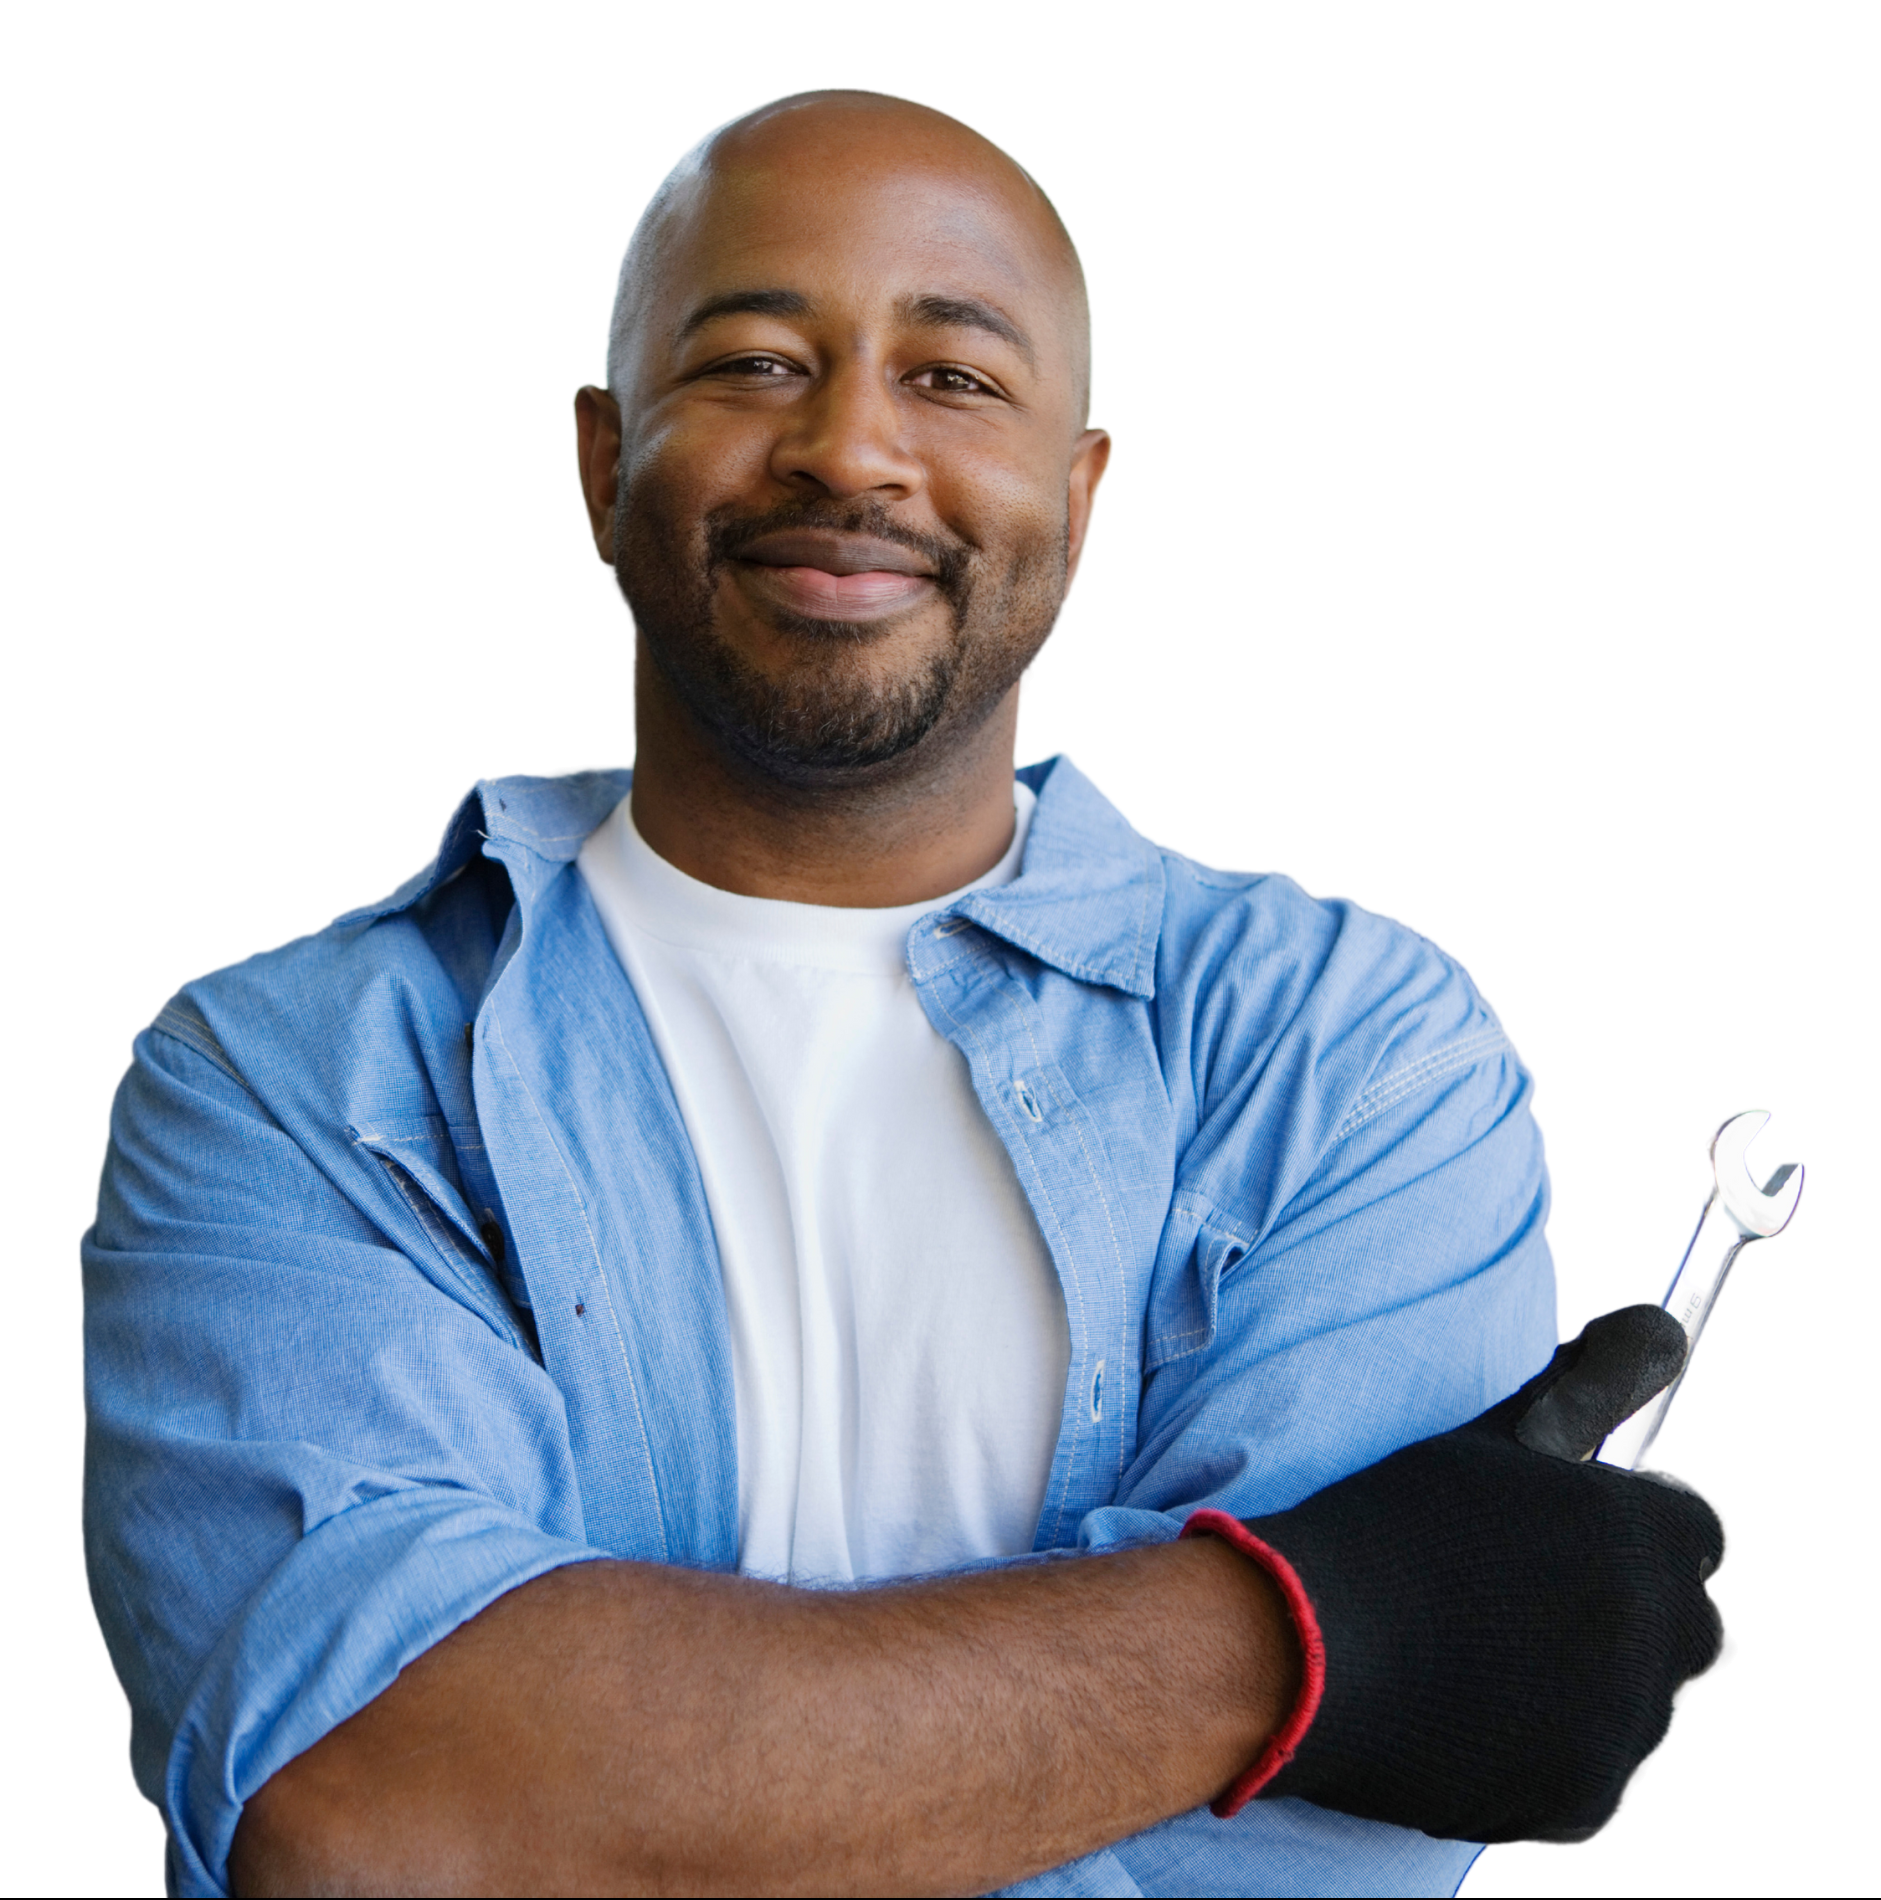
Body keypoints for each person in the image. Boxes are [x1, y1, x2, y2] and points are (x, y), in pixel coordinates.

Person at [79, 88, 1732, 1898]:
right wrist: (1316, 1642)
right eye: (757, 363)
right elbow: (371, 1811)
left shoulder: (1354, 1053)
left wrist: (602, 1781)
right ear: (598, 457)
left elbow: (1311, 1878)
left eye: (954, 379)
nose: (851, 450)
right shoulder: (287, 1073)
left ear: (1081, 496)